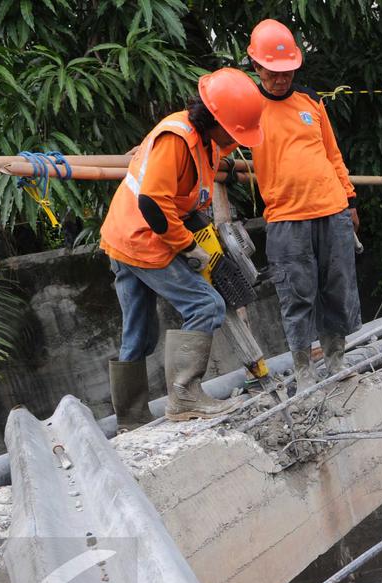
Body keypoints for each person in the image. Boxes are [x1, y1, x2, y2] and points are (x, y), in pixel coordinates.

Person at [101, 68, 265, 429]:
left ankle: (130, 420)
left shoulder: (203, 141)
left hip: (125, 237)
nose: (237, 140)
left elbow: (190, 185)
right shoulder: (176, 140)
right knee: (207, 305)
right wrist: (189, 247)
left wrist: (225, 163)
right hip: (144, 237)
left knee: (138, 333)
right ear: (217, 120)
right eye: (234, 132)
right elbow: (152, 205)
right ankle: (185, 397)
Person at [247, 18, 362, 391]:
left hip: (332, 209)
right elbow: (215, 144)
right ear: (257, 66)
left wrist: (350, 199)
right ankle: (304, 371)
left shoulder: (310, 101)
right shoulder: (248, 108)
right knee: (296, 296)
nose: (281, 78)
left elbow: (333, 154)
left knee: (338, 289)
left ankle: (336, 361)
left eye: (287, 71)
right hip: (287, 218)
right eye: (273, 71)